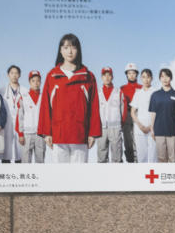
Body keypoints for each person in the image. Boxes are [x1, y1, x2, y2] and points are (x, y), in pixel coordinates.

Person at [37, 33, 102, 163]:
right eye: (66, 47)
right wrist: (46, 132)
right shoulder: (52, 76)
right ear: (60, 50)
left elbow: (94, 107)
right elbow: (45, 105)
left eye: (73, 47)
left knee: (78, 176)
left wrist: (92, 133)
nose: (70, 51)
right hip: (59, 133)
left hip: (80, 133)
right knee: (60, 176)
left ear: (78, 50)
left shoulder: (88, 76)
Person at [148, 68, 175, 163]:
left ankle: (172, 177)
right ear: (159, 78)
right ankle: (163, 177)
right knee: (161, 158)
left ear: (170, 78)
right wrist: (152, 128)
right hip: (159, 131)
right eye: (162, 76)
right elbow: (153, 112)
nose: (165, 78)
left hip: (173, 131)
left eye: (167, 76)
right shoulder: (155, 95)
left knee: (173, 158)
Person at [18, 70, 46, 163]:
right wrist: (21, 134)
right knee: (25, 161)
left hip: (41, 134)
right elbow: (20, 117)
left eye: (38, 81)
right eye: (33, 81)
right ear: (29, 82)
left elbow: (48, 117)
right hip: (27, 134)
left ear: (41, 82)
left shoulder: (44, 97)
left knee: (40, 160)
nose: (36, 83)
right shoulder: (23, 97)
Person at [130, 68, 157, 164]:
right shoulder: (138, 93)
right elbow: (132, 112)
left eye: (148, 77)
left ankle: (153, 178)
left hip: (153, 129)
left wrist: (150, 127)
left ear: (152, 78)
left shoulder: (156, 92)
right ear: (141, 78)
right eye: (144, 77)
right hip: (139, 129)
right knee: (141, 157)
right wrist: (140, 126)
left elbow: (158, 112)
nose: (146, 80)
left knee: (153, 157)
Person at [97, 67, 123, 163]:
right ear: (101, 77)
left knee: (117, 155)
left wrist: (121, 125)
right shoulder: (97, 92)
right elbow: (94, 111)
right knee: (101, 155)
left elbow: (123, 110)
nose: (107, 77)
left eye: (109, 75)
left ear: (112, 77)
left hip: (115, 128)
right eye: (104, 75)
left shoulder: (118, 92)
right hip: (101, 128)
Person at [0, 65, 23, 163]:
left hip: (20, 125)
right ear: (8, 75)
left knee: (20, 151)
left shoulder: (25, 91)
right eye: (12, 73)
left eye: (16, 73)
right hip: (6, 124)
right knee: (6, 151)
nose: (14, 75)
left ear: (20, 75)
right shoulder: (2, 91)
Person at [120, 62, 142, 162]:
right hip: (127, 115)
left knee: (138, 139)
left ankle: (139, 160)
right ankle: (130, 160)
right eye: (129, 73)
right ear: (126, 75)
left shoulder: (141, 88)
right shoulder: (122, 88)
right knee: (128, 139)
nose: (131, 75)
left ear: (137, 74)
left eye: (133, 73)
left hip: (139, 115)